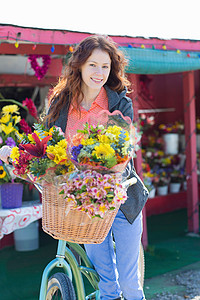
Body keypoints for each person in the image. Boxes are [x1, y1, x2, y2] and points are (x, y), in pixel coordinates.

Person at [0, 35, 148, 300]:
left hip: (120, 202)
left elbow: (118, 155)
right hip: (83, 205)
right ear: (79, 65)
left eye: (105, 66)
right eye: (93, 65)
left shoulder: (120, 104)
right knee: (107, 286)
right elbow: (45, 145)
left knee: (129, 285)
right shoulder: (60, 103)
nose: (99, 73)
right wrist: (18, 155)